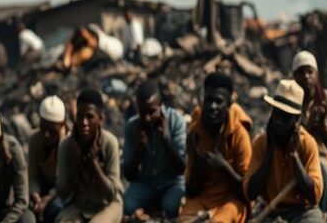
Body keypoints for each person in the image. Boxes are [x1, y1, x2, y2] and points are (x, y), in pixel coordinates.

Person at [245, 79, 323, 223]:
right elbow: (250, 193)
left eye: (286, 118)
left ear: (297, 120)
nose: (278, 122)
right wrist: (269, 153)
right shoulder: (262, 142)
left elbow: (314, 197)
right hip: (271, 210)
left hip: (302, 213)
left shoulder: (308, 144)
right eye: (276, 115)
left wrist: (294, 156)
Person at [180, 72, 252, 223]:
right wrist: (199, 168)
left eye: (218, 102)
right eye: (209, 100)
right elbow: (191, 190)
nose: (213, 107)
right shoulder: (196, 132)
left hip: (231, 202)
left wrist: (224, 167)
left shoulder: (239, 135)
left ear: (229, 105)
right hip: (205, 199)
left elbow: (249, 191)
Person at [56, 89, 123, 223]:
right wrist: (75, 160)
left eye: (90, 117)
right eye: (80, 116)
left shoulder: (110, 143)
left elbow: (110, 194)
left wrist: (94, 164)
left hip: (107, 205)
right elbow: (62, 192)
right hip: (79, 207)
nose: (84, 123)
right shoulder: (66, 146)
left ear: (100, 119)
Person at [121, 80, 186, 219]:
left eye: (152, 112)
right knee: (127, 204)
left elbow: (182, 168)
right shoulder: (132, 127)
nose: (147, 118)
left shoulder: (176, 121)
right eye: (142, 112)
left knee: (172, 206)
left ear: (161, 105)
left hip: (172, 183)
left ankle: (156, 209)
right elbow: (129, 175)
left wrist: (166, 141)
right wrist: (140, 149)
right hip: (146, 183)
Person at [291, 51, 327, 212]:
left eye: (310, 71)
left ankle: (323, 213)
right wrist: (307, 125)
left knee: (321, 170)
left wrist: (323, 124)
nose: (306, 76)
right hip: (295, 156)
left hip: (321, 156)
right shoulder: (290, 100)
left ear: (317, 74)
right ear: (294, 76)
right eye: (301, 72)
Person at [27, 96, 67, 223]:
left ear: (62, 125)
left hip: (62, 192)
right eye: (43, 128)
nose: (46, 135)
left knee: (55, 210)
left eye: (52, 131)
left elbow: (66, 182)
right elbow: (32, 176)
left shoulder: (68, 144)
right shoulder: (35, 140)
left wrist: (48, 199)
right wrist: (36, 196)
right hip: (42, 189)